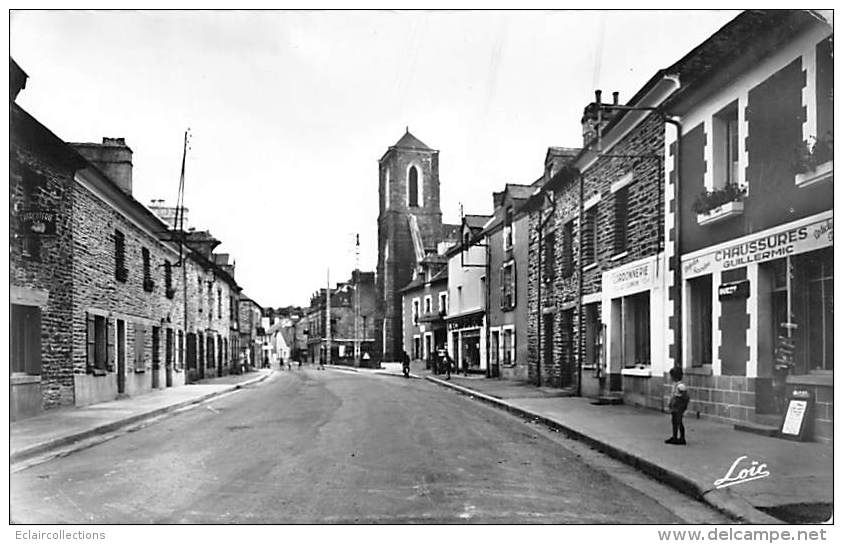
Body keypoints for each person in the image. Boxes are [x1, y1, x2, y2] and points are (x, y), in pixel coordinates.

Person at [666, 366, 689, 445]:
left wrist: (684, 406)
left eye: (671, 376)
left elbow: (685, 397)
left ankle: (682, 438)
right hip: (674, 406)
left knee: (679, 421)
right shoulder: (675, 385)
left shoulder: (681, 386)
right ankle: (674, 436)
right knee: (674, 422)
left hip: (679, 407)